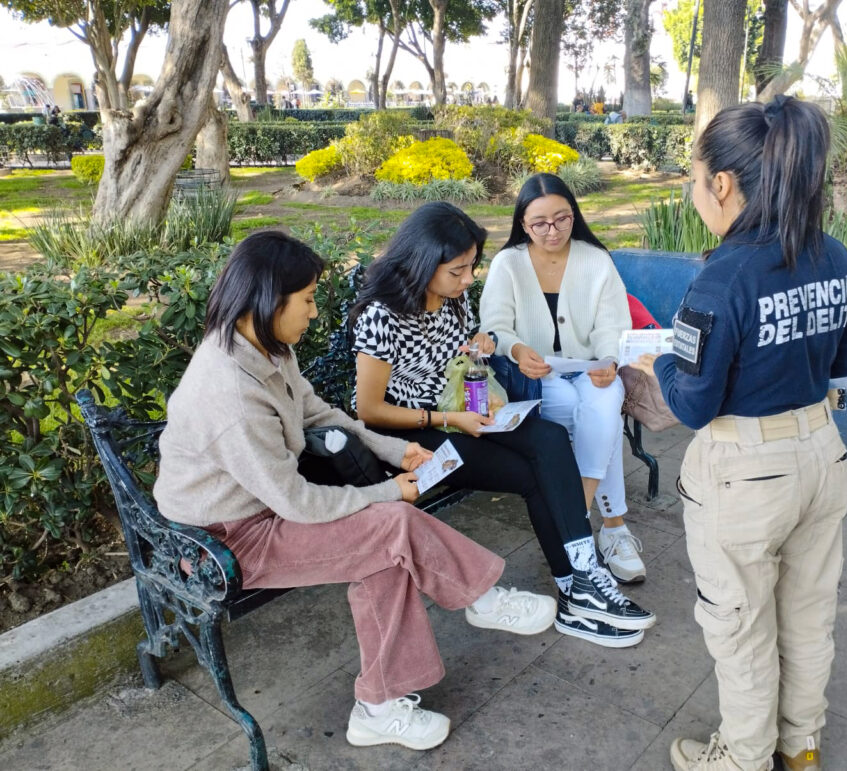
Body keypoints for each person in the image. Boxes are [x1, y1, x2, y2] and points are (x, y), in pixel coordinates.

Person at [153, 231, 559, 752]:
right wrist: (389, 491)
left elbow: (317, 412)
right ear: (268, 301)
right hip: (223, 542)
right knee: (393, 527)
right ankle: (478, 598)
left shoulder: (262, 347)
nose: (315, 313)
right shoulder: (231, 393)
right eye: (307, 300)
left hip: (261, 509)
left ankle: (379, 706)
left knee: (387, 552)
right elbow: (297, 502)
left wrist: (396, 451)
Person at [632, 96, 847, 771]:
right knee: (808, 613)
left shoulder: (721, 277)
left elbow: (696, 403)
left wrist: (662, 363)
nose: (693, 190)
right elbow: (844, 362)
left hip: (745, 472)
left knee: (740, 625)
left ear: (724, 184)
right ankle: (801, 744)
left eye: (695, 177)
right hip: (823, 454)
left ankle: (743, 757)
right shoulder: (835, 255)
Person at [351, 202, 656, 649]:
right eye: (458, 270)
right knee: (535, 473)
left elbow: (458, 366)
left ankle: (581, 580)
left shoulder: (451, 301)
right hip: (412, 436)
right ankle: (578, 592)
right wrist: (450, 418)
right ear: (422, 264)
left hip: (459, 415)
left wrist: (481, 368)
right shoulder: (383, 315)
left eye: (471, 267)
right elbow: (370, 411)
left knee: (550, 439)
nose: (468, 279)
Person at [480, 173, 646, 585]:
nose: (552, 231)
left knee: (604, 408)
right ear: (522, 223)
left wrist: (609, 359)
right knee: (579, 413)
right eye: (540, 223)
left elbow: (613, 322)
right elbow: (495, 326)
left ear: (575, 215)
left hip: (592, 367)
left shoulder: (595, 258)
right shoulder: (508, 263)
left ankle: (578, 521)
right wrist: (517, 350)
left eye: (562, 219)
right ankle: (612, 529)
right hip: (536, 372)